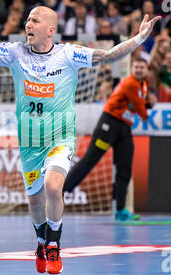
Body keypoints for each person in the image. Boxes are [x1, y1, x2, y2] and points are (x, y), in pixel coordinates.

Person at [0, 0, 160, 274]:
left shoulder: (68, 54)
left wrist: (137, 40)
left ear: (50, 29)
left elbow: (107, 55)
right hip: (29, 140)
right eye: (28, 19)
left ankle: (53, 246)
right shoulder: (15, 53)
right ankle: (41, 242)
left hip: (60, 136)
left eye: (35, 20)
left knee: (53, 187)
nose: (28, 23)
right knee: (36, 200)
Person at [63, 58, 157, 221]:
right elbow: (141, 112)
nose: (139, 69)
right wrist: (149, 106)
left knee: (125, 166)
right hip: (109, 125)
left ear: (146, 69)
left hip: (124, 128)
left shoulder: (143, 85)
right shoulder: (130, 83)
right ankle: (61, 191)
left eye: (142, 67)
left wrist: (147, 103)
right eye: (136, 67)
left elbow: (138, 104)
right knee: (89, 160)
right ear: (131, 68)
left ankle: (121, 209)